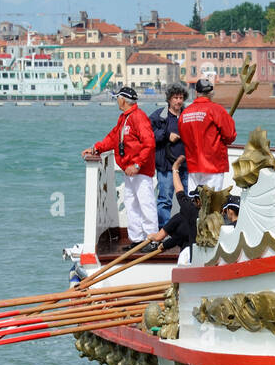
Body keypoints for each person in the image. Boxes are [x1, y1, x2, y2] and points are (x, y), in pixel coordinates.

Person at [81, 86, 156, 250]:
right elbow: (112, 138)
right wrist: (96, 149)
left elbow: (149, 143)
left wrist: (137, 164)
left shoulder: (138, 117)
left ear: (123, 100)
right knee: (131, 204)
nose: (116, 101)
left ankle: (152, 240)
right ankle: (137, 240)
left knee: (146, 203)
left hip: (140, 170)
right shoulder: (124, 118)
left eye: (117, 98)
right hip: (129, 171)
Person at [178, 77, 236, 191]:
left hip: (193, 164)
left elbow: (183, 136)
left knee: (194, 201)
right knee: (211, 202)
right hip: (214, 163)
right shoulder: (217, 110)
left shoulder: (185, 113)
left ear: (196, 93)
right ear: (211, 93)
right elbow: (230, 135)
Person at [149, 83, 188, 224]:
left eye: (181, 98)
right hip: (166, 166)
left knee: (188, 201)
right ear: (169, 99)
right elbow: (148, 135)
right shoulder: (159, 116)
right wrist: (166, 135)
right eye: (175, 97)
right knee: (165, 200)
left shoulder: (187, 115)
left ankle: (186, 231)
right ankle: (164, 232)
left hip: (186, 167)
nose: (178, 101)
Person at [144, 159, 199, 253]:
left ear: (197, 200)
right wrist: (165, 245)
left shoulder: (184, 213)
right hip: (205, 256)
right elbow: (178, 238)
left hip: (188, 257)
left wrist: (175, 170)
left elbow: (159, 237)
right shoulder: (211, 215)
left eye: (192, 199)